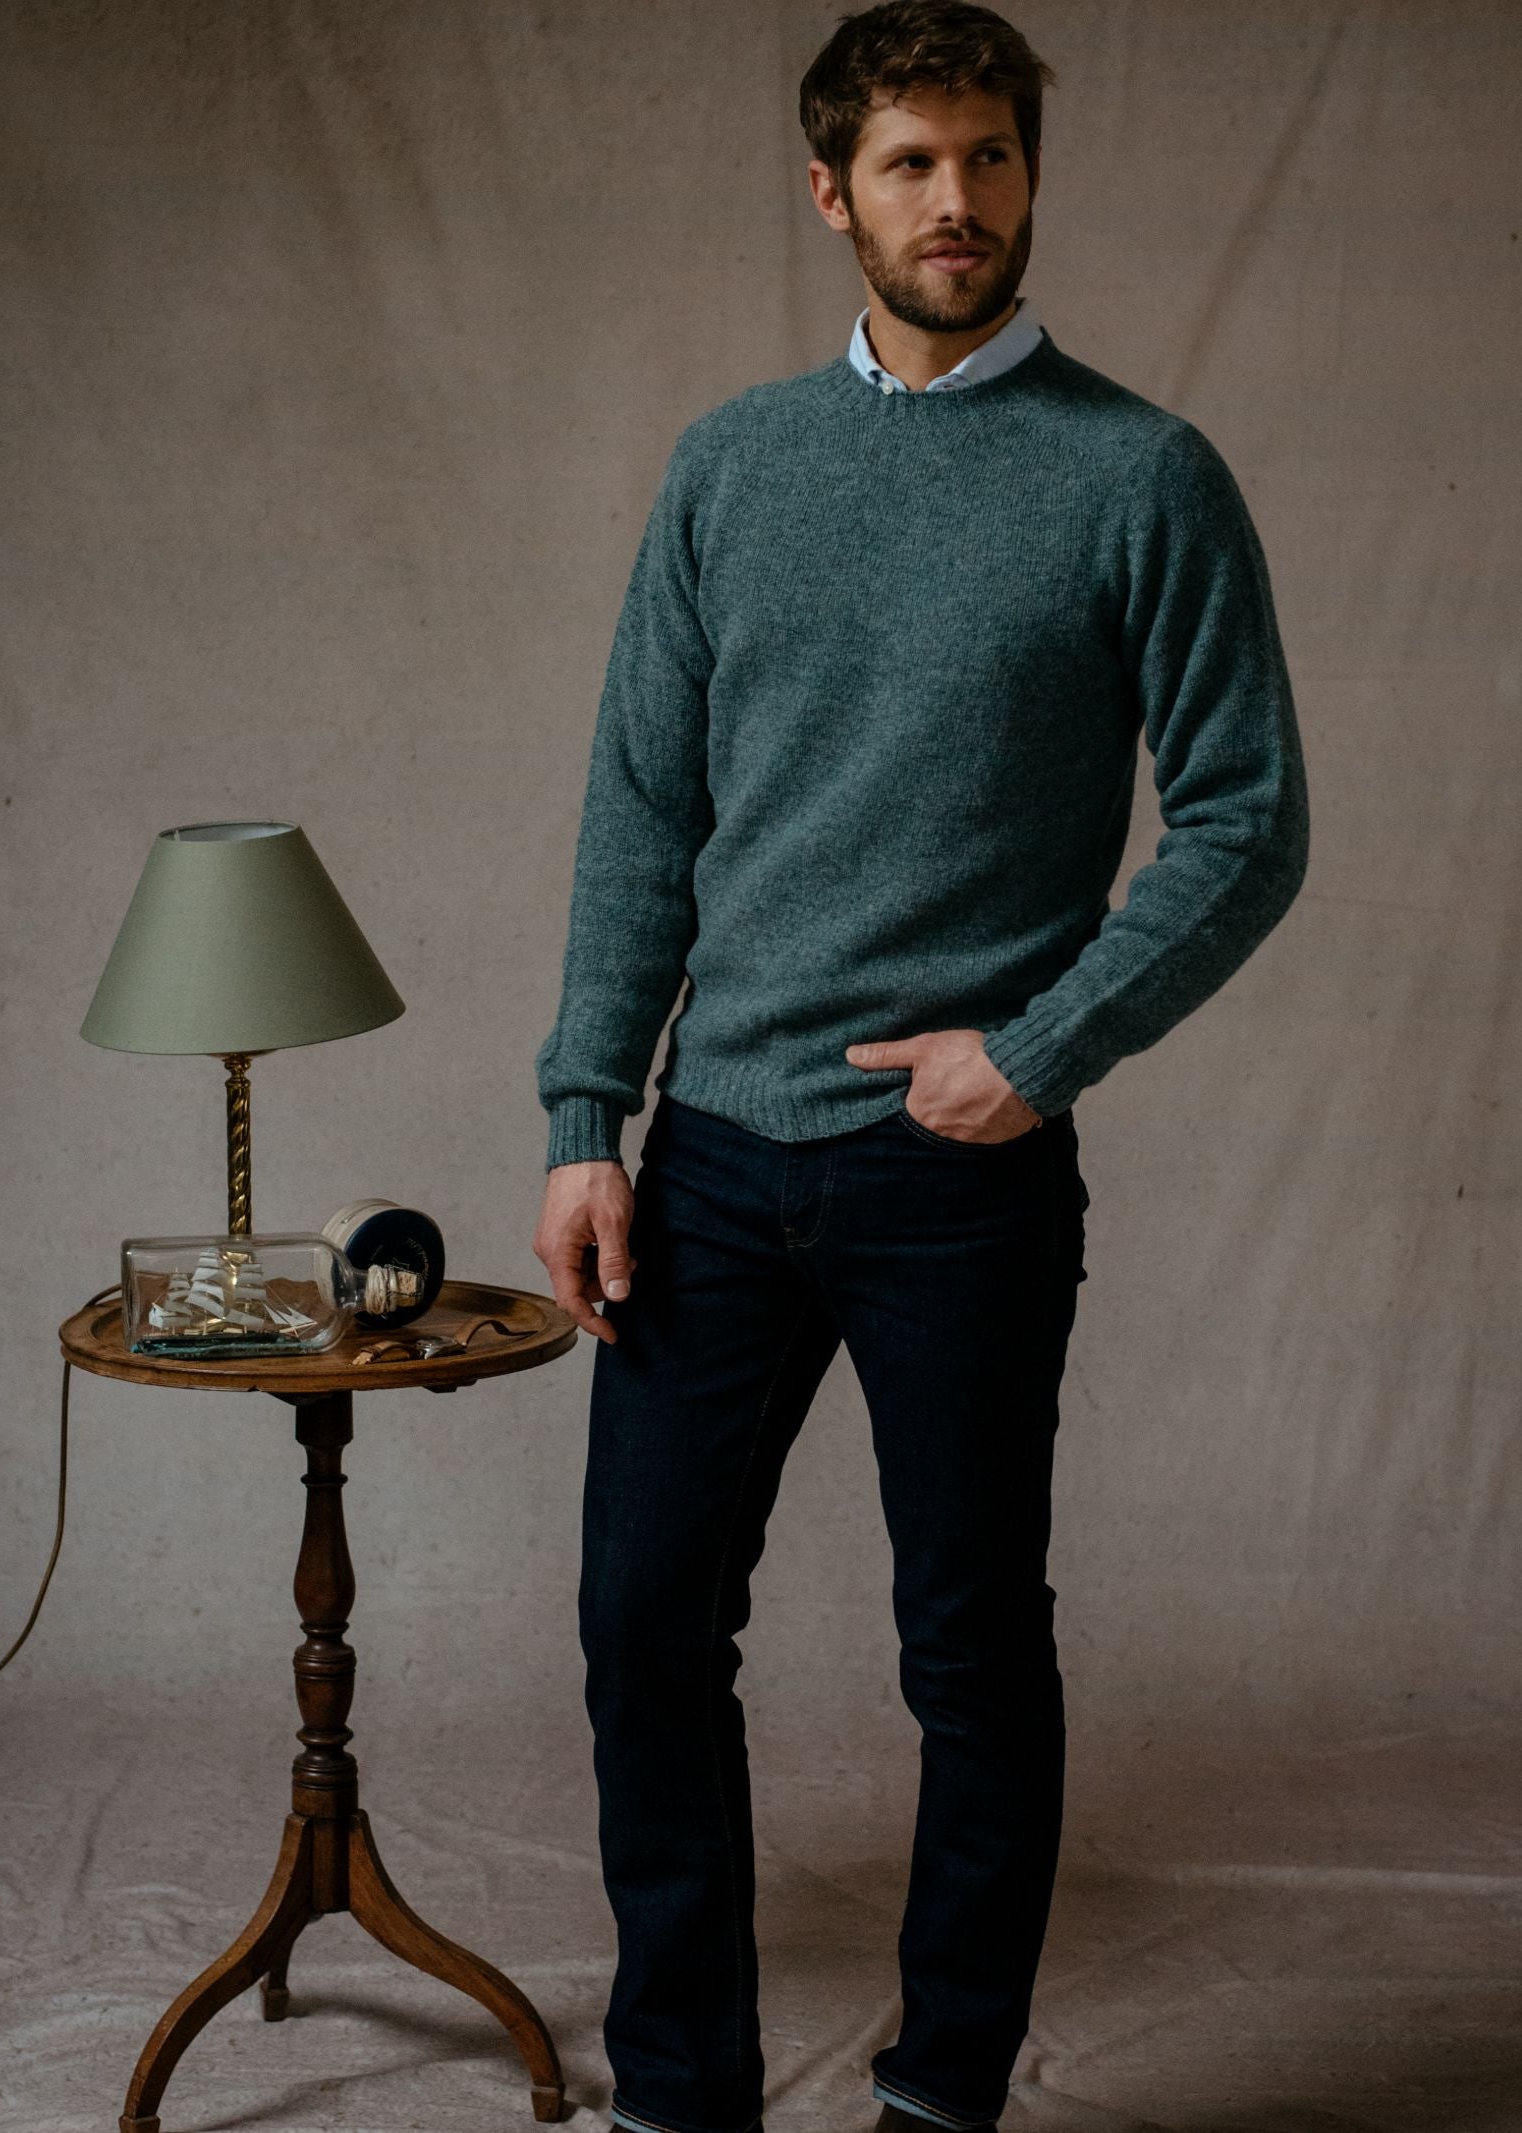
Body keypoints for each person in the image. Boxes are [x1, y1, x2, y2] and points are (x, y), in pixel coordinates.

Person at [531, 3, 1309, 2128]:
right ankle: (677, 2082)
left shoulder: (1137, 474)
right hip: (705, 1161)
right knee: (637, 1626)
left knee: (966, 1646)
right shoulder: (728, 465)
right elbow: (638, 812)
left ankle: (943, 2078)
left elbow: (1246, 817)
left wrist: (1041, 1050)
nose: (950, 198)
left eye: (982, 157)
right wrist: (586, 1116)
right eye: (905, 163)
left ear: (1027, 180)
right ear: (828, 193)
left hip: (955, 1169)